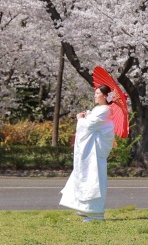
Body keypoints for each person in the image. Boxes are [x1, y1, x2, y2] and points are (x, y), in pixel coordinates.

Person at [60, 84, 115, 221]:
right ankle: (85, 209)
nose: (95, 95)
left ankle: (95, 213)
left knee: (94, 179)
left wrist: (80, 119)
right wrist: (88, 116)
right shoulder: (99, 109)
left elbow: (90, 125)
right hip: (91, 151)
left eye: (97, 93)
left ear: (104, 96)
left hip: (95, 151)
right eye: (95, 93)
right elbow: (93, 122)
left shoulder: (104, 110)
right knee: (87, 176)